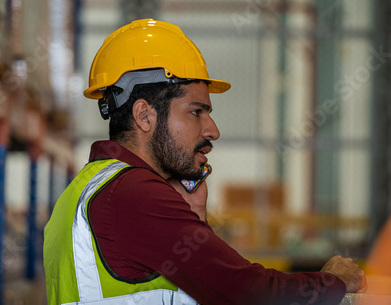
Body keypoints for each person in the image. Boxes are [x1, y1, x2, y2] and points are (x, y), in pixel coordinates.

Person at [43, 19, 367, 305]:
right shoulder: (132, 193)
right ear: (144, 115)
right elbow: (245, 293)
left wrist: (195, 221)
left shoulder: (93, 187)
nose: (213, 130)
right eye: (196, 112)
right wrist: (333, 281)